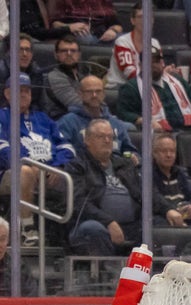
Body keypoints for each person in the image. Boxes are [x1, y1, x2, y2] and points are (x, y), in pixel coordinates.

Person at [0, 74, 76, 246]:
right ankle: (27, 228)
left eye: (26, 90)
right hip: (9, 173)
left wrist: (58, 166)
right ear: (7, 94)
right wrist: (26, 164)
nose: (24, 94)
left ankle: (70, 234)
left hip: (48, 173)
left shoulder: (43, 119)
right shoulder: (2, 117)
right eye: (18, 91)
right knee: (25, 173)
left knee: (74, 177)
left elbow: (66, 147)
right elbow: (2, 148)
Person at [65, 119, 145, 256]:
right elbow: (78, 203)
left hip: (130, 225)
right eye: (101, 137)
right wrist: (108, 221)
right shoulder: (77, 166)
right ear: (87, 140)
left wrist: (169, 210)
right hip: (92, 223)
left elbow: (146, 194)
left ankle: (147, 275)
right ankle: (107, 275)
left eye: (110, 137)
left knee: (153, 227)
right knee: (93, 229)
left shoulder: (124, 165)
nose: (107, 140)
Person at [118, 52, 191, 134]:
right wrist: (143, 120)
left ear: (162, 63)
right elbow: (124, 113)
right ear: (140, 65)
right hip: (161, 133)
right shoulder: (132, 87)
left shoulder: (176, 79)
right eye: (148, 62)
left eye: (156, 62)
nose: (153, 65)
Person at [58, 75, 140, 161]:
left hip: (117, 170)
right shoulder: (68, 122)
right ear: (80, 94)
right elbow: (61, 151)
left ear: (104, 94)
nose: (94, 95)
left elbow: (129, 150)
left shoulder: (115, 123)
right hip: (83, 171)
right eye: (89, 92)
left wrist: (133, 156)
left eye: (98, 91)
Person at [153, 133, 191, 228]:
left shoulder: (181, 173)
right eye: (164, 151)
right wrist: (173, 210)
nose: (169, 155)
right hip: (163, 219)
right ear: (155, 153)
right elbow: (155, 200)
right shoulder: (149, 174)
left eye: (172, 151)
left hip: (184, 219)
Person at [0, 34, 47, 112]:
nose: (25, 54)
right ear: (9, 53)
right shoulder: (1, 71)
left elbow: (42, 105)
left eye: (28, 50)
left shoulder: (36, 72)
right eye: (20, 49)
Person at [45, 34, 88, 119]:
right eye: (64, 51)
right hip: (63, 120)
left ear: (79, 55)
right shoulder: (54, 77)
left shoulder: (84, 76)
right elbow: (76, 104)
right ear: (56, 54)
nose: (69, 54)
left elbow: (100, 101)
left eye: (73, 51)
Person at [105, 3, 147, 90]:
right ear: (133, 21)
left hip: (143, 85)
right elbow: (130, 74)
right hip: (119, 86)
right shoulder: (122, 42)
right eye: (140, 17)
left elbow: (158, 68)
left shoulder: (155, 43)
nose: (144, 20)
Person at [48, 0, 122, 45]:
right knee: (86, 39)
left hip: (102, 35)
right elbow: (54, 24)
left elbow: (118, 25)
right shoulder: (65, 1)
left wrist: (113, 30)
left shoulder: (102, 2)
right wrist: (70, 26)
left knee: (121, 39)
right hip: (78, 35)